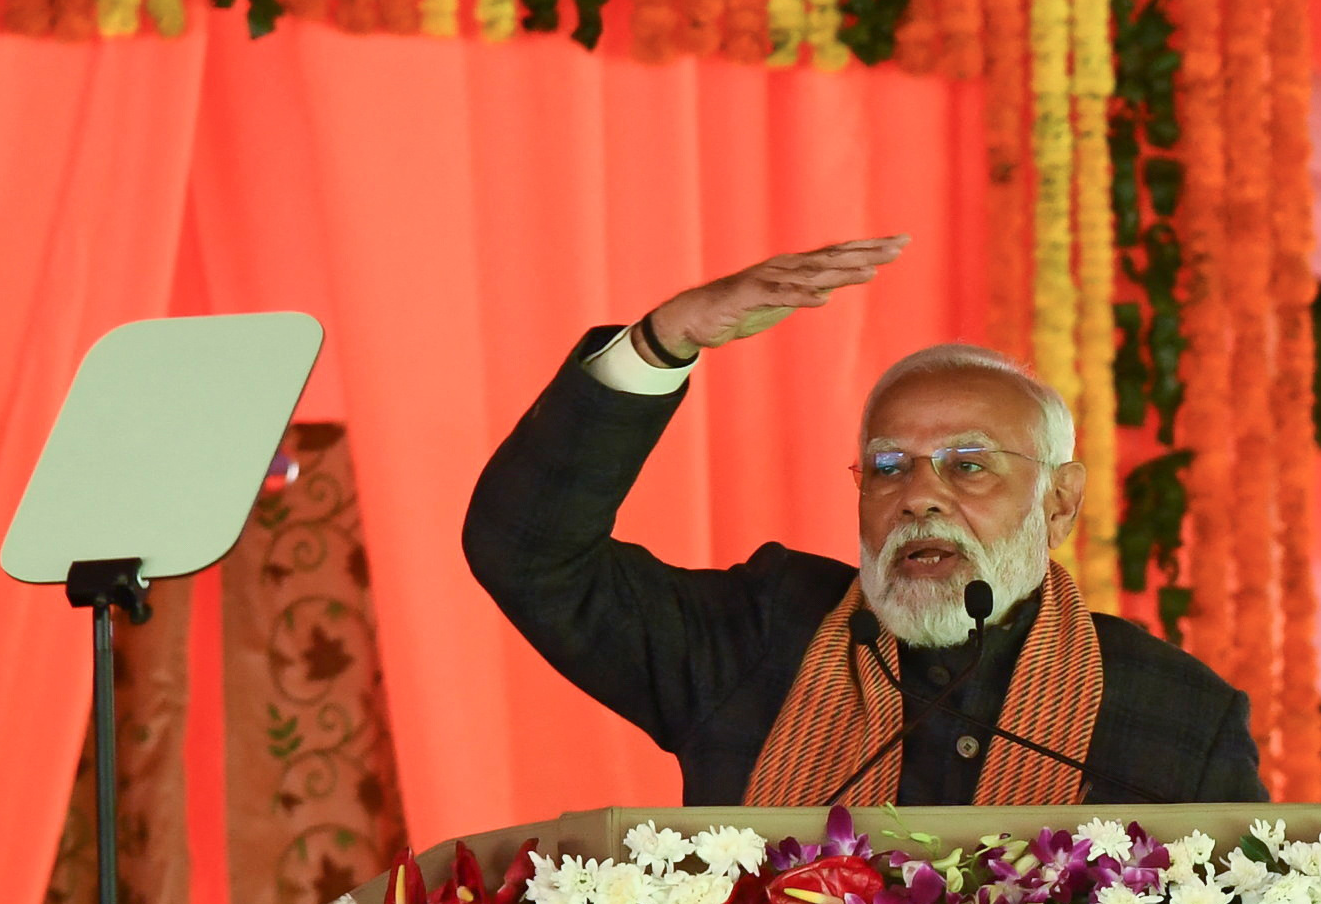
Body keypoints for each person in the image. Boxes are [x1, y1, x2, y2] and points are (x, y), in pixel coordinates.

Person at [463, 235, 1265, 806]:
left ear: (1058, 501)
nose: (918, 495)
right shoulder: (761, 635)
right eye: (887, 466)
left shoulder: (1176, 715)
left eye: (968, 464)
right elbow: (530, 555)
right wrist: (660, 344)